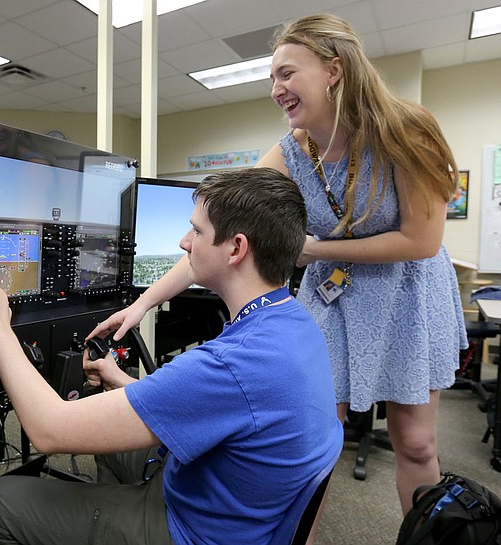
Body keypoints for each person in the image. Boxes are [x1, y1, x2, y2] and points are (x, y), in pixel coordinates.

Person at [90, 14, 467, 516]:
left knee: (416, 443)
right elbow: (216, 237)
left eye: (287, 73)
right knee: (309, 443)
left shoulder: (404, 129)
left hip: (404, 294)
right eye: (272, 77)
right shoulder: (292, 151)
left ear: (334, 70)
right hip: (334, 298)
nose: (276, 89)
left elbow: (421, 241)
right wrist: (142, 304)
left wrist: (314, 250)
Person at [0, 168, 343, 545]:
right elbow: (222, 406)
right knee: (111, 450)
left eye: (197, 231)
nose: (183, 242)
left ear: (236, 248)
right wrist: (121, 383)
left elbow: (47, 430)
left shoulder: (231, 362)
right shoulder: (293, 323)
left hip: (188, 528)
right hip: (231, 509)